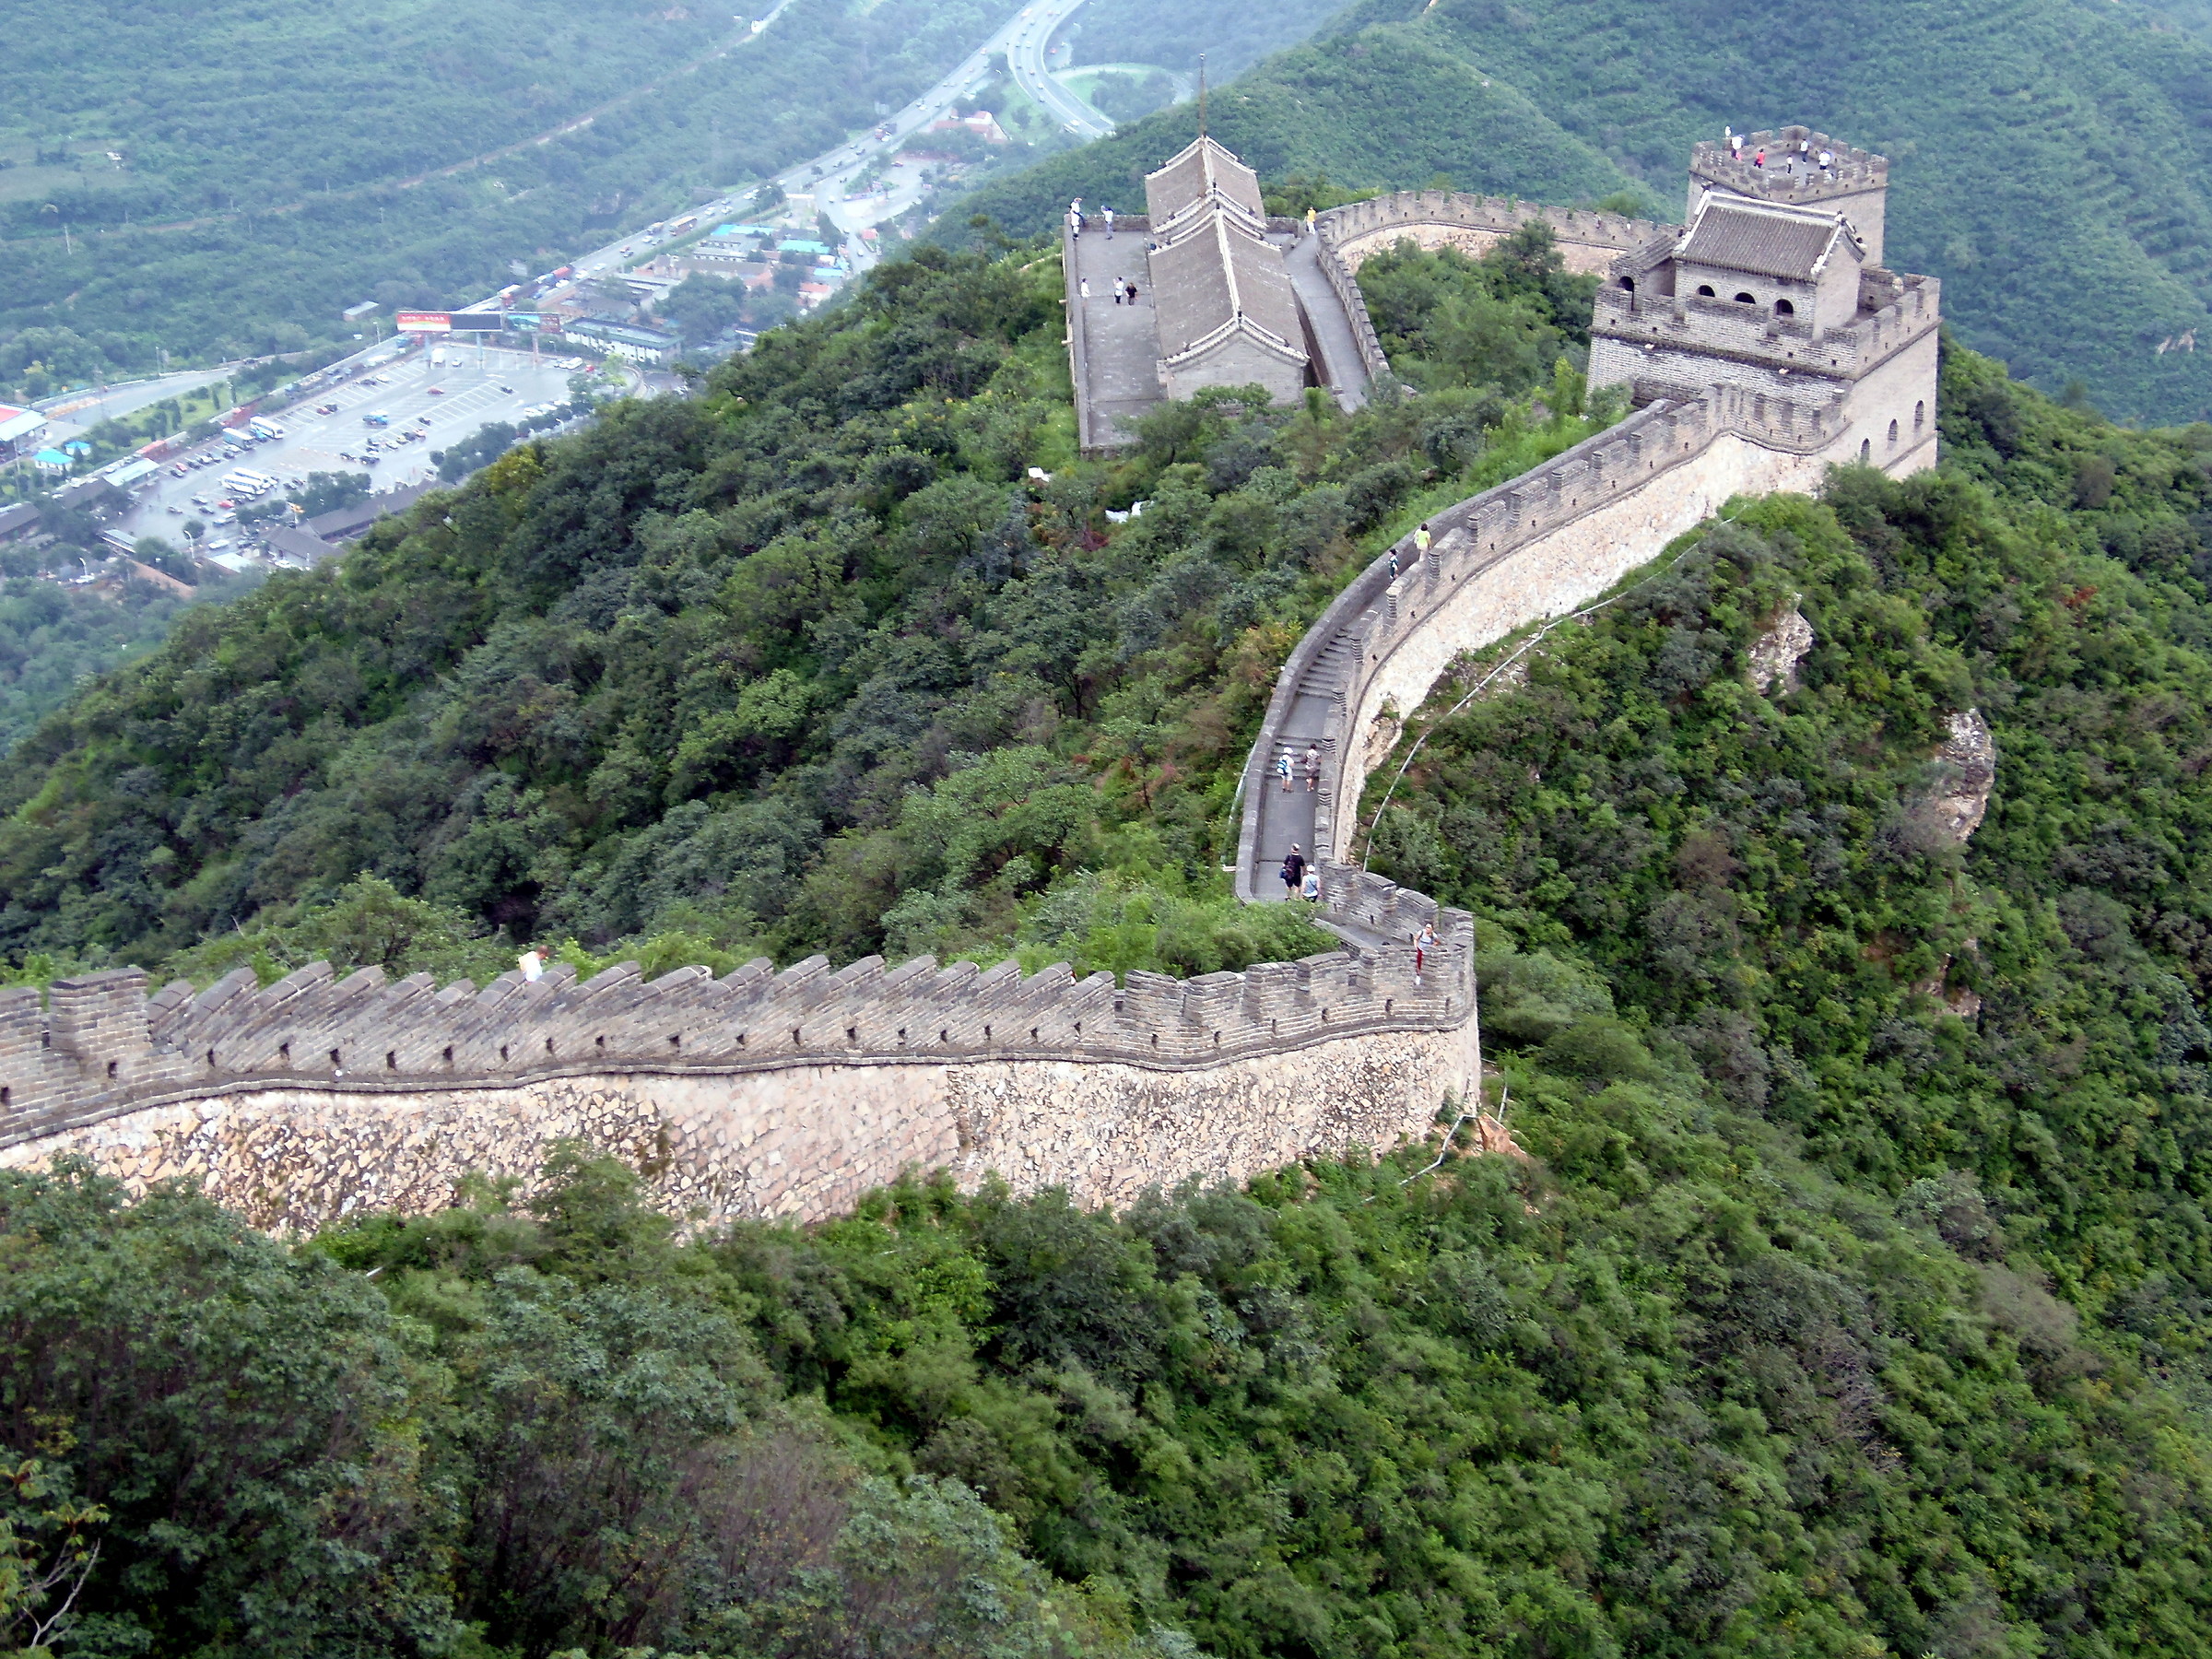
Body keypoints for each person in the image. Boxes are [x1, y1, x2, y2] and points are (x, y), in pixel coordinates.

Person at [1415, 921, 1436, 986]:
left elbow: (1437, 941)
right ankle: (1418, 977)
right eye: (1426, 927)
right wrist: (1416, 946)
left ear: (1432, 929)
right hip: (1420, 949)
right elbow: (1416, 939)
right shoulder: (1421, 932)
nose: (1427, 929)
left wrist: (1432, 946)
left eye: (1429, 928)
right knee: (1419, 962)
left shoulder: (1433, 935)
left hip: (1428, 951)